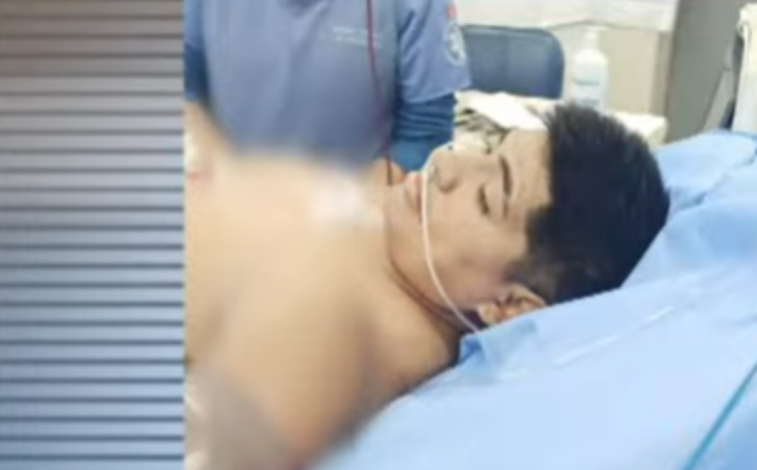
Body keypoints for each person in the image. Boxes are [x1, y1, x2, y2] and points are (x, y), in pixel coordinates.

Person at [185, 105, 670, 470]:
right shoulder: (406, 250)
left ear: (508, 305)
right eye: (486, 152)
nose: (451, 168)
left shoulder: (357, 344)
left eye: (486, 197)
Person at [184, 0, 471, 176]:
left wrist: (353, 203)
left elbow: (426, 133)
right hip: (234, 206)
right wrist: (218, 168)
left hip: (356, 220)